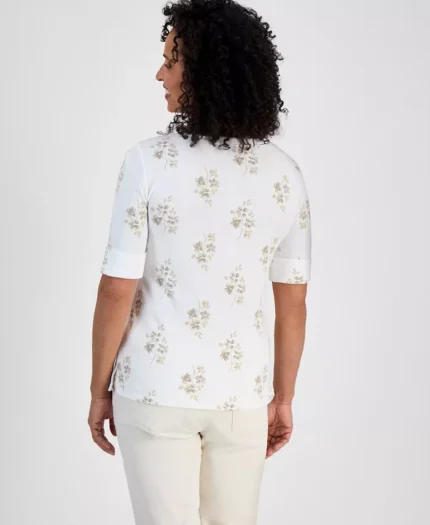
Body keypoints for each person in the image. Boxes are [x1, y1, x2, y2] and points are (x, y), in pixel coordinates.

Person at [88, 0, 312, 523]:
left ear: (206, 72)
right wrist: (283, 398)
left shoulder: (147, 162)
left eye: (172, 61)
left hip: (154, 391)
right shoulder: (285, 174)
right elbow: (293, 304)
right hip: (241, 400)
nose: (159, 74)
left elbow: (117, 288)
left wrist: (99, 390)